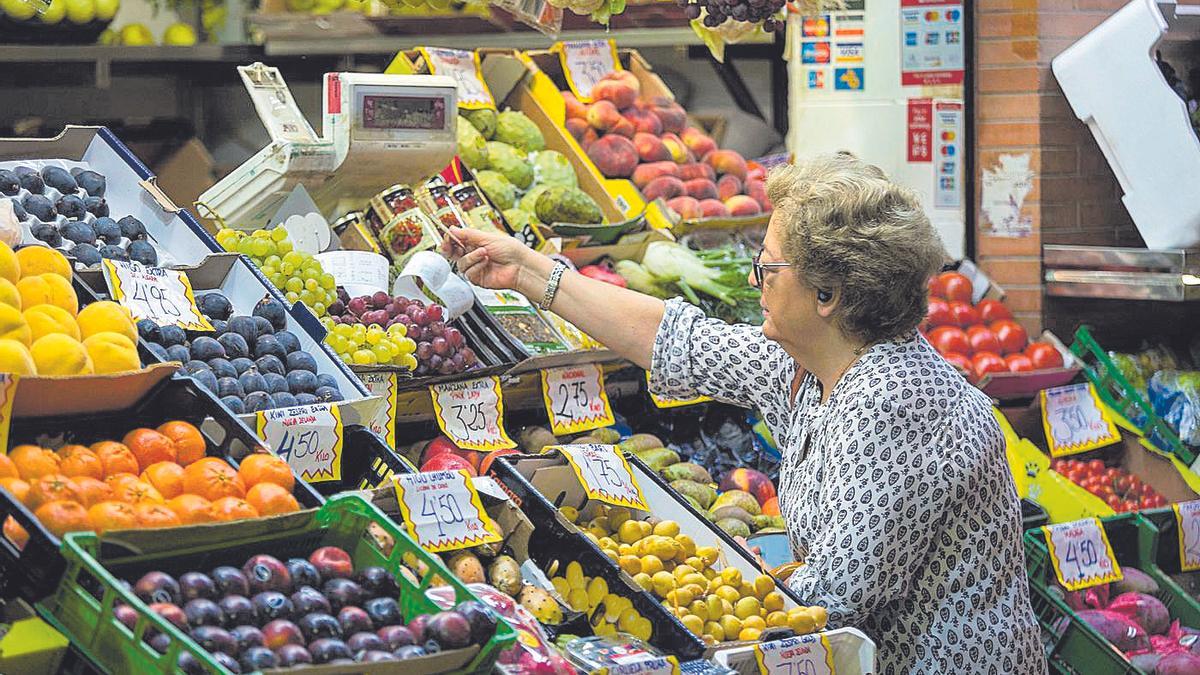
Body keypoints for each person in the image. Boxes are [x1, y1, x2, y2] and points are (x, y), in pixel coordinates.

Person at [444, 153, 1046, 674]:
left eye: (769, 267)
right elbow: (673, 339)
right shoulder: (810, 364)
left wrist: (688, 615)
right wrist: (525, 270)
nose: (757, 279)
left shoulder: (895, 404)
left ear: (828, 295)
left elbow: (833, 595)